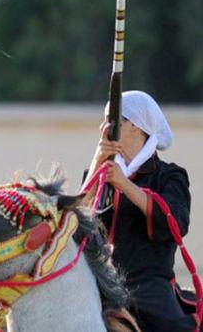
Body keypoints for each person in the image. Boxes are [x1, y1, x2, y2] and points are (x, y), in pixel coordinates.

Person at [84, 90, 198, 332]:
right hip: (97, 280)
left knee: (174, 327)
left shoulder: (169, 176)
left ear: (135, 125)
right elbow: (76, 216)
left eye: (112, 120)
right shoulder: (100, 174)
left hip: (146, 284)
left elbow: (176, 224)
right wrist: (98, 161)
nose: (103, 127)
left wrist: (125, 185)